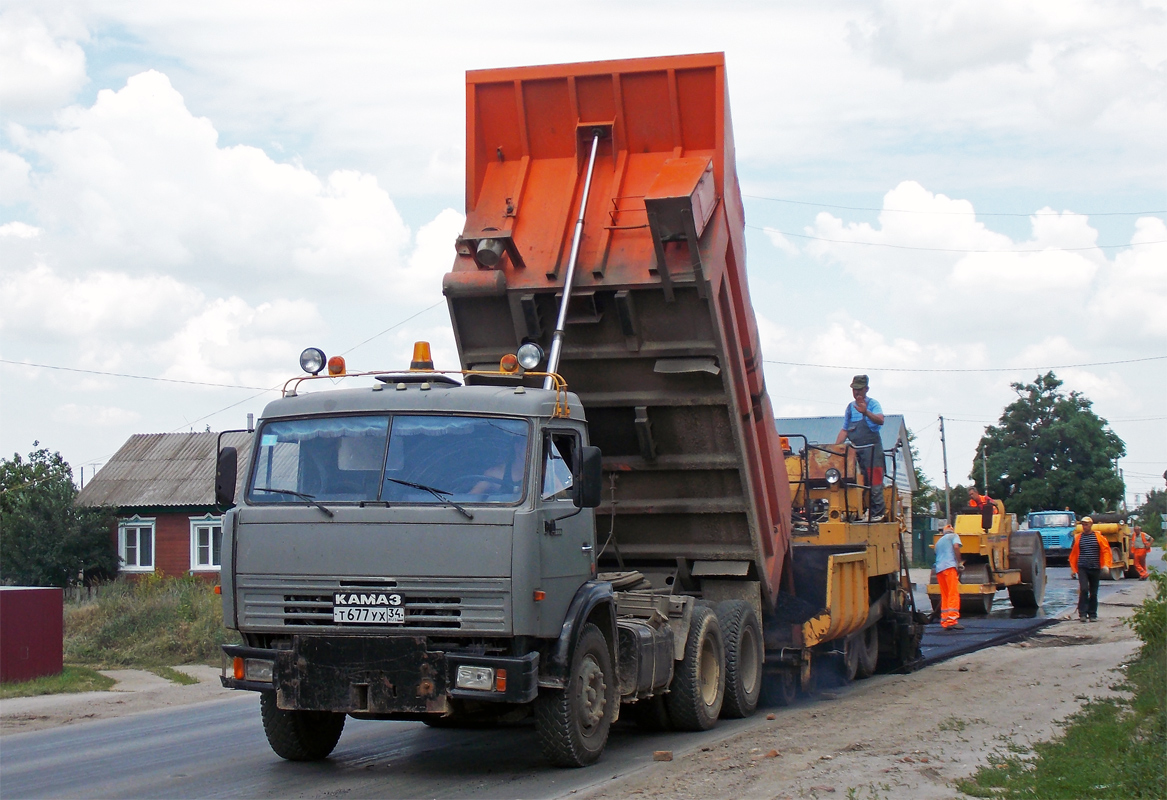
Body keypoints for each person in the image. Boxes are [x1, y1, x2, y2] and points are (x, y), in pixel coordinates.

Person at [834, 374, 886, 519]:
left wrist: (866, 412)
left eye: (859, 389)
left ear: (866, 389)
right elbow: (845, 430)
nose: (856, 392)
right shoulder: (850, 408)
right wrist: (835, 448)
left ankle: (877, 513)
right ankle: (853, 512)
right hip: (856, 452)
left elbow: (881, 420)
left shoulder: (873, 404)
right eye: (854, 389)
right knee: (853, 480)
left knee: (875, 482)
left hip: (872, 450)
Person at [1069, 516, 1112, 622]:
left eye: (1086, 524)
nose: (1084, 526)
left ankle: (1092, 614)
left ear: (1091, 525)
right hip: (1082, 567)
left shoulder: (1099, 537)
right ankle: (1082, 613)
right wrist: (1073, 570)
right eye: (1083, 524)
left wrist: (1106, 565)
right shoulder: (1078, 538)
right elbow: (1074, 554)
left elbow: (1106, 551)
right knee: (1083, 589)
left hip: (1095, 567)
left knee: (1093, 592)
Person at [933, 523, 964, 630]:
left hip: (939, 570)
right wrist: (959, 563)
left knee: (945, 595)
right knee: (953, 593)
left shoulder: (939, 542)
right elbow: (956, 547)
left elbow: (936, 553)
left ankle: (945, 621)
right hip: (949, 568)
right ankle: (952, 620)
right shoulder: (954, 536)